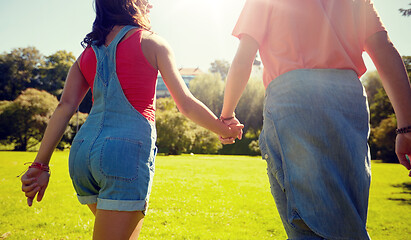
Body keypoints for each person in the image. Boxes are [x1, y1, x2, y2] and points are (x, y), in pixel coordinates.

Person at [20, 0, 243, 239]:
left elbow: (65, 106)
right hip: (122, 155)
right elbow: (185, 103)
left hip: (82, 155)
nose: (151, 6)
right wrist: (223, 128)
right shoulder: (152, 42)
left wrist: (40, 165)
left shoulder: (86, 54)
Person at [219, 0, 411, 239]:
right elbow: (383, 48)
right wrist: (406, 127)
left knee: (311, 226)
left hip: (295, 100)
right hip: (349, 100)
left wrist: (226, 116)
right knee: (347, 216)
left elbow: (244, 57)